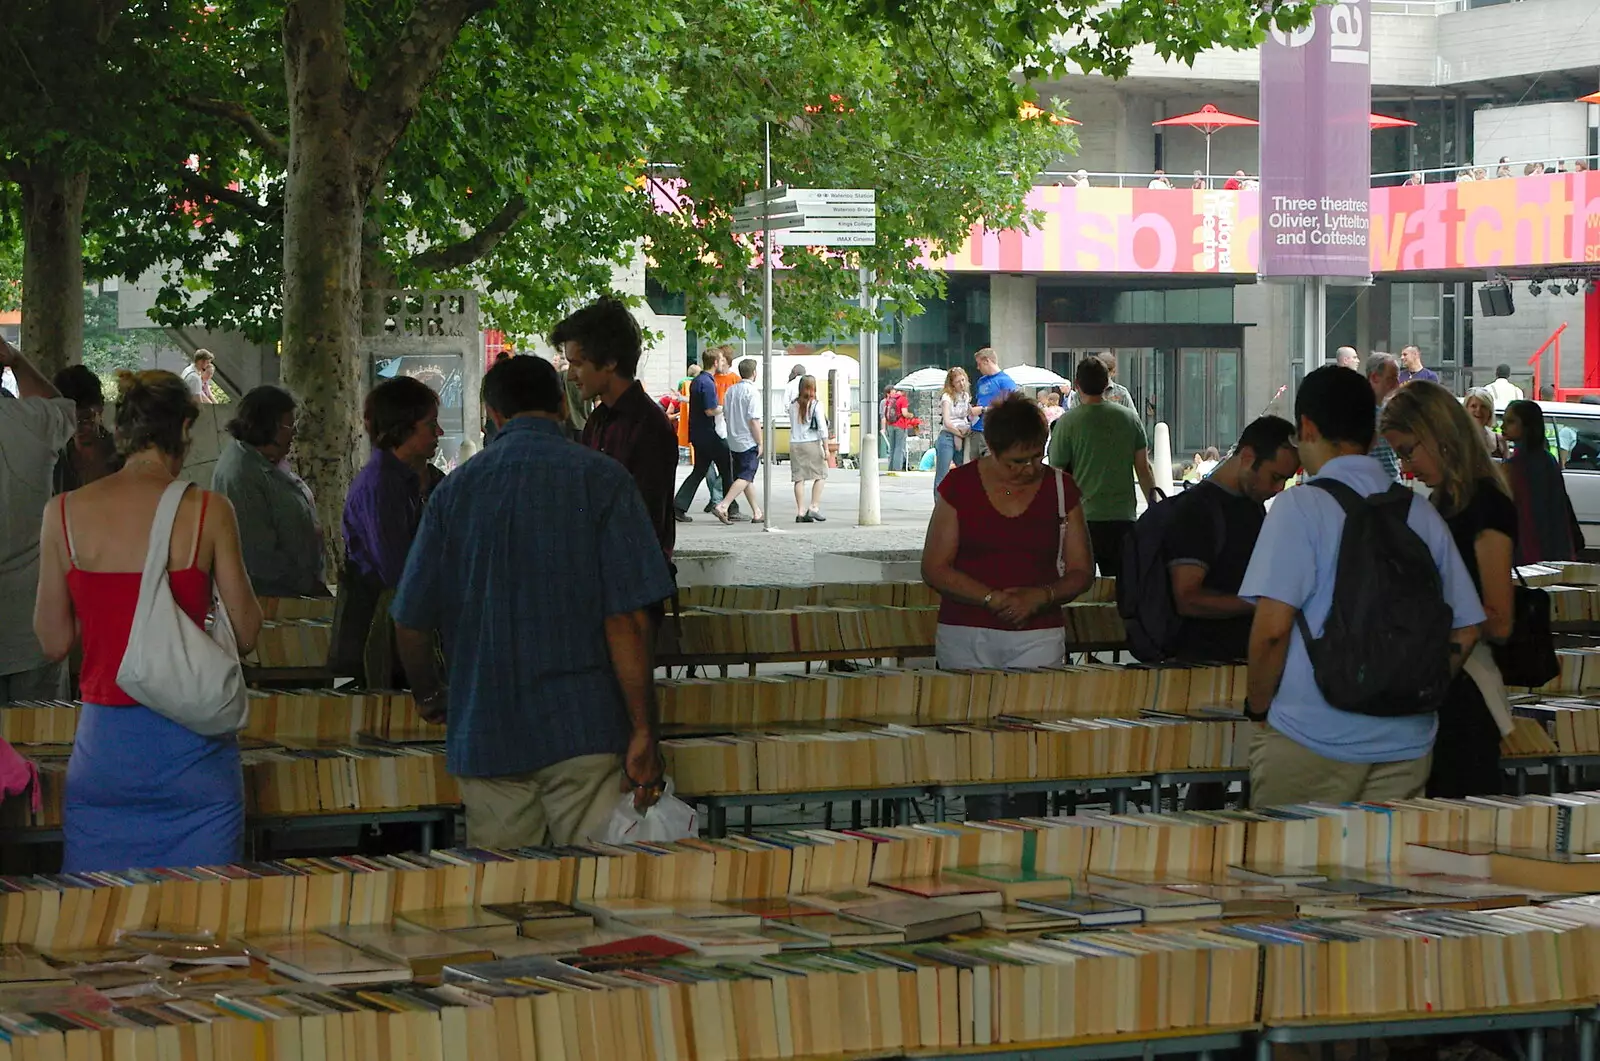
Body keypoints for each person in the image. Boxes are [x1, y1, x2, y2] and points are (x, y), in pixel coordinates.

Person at [391, 356, 676, 847]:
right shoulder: (603, 480)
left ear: (493, 414)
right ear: (563, 405)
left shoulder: (455, 491)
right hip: (585, 727)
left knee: (507, 901)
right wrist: (643, 730)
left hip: (487, 729)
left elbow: (411, 620)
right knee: (597, 895)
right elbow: (627, 618)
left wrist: (432, 694)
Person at [33, 370, 262, 872]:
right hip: (195, 757)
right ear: (184, 427)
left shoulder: (63, 513)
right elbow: (246, 632)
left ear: (122, 430)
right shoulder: (209, 511)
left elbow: (52, 642)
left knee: (100, 929)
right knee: (204, 931)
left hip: (107, 755)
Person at [1240, 366, 1484, 807]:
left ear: (1308, 428)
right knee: (1382, 872)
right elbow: (1466, 629)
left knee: (1287, 873)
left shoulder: (1299, 507)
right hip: (1407, 743)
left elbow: (1272, 630)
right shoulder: (1418, 513)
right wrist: (1410, 686)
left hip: (1312, 734)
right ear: (1372, 439)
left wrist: (1258, 709)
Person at [1381, 381, 1516, 798]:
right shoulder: (1445, 501)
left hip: (1464, 692)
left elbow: (1499, 619)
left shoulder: (1483, 504)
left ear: (1439, 433)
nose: (1405, 466)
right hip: (1445, 681)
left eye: (1407, 450)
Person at [1162, 418, 1300, 663]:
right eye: (1275, 477)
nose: (1279, 488)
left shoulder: (1252, 504)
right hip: (1205, 665)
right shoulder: (1196, 509)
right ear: (1247, 457)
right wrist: (1262, 604)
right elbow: (1187, 599)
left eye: (1285, 480)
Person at [339, 376, 445, 686]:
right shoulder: (382, 485)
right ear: (403, 427)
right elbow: (397, 571)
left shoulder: (416, 478)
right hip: (383, 626)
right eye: (430, 424)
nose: (439, 433)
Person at [561, 297, 680, 558]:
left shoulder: (648, 427)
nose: (571, 375)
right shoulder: (598, 420)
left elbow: (641, 521)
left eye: (578, 363)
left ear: (610, 362)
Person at [0, 338, 76, 701]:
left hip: (32, 628)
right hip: (32, 627)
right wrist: (17, 361)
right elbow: (63, 407)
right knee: (41, 745)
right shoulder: (34, 422)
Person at [1048, 356, 1159, 576]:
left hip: (1080, 519)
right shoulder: (1129, 419)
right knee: (1121, 590)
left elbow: (1057, 475)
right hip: (1122, 517)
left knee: (1079, 588)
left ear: (1077, 385)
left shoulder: (1067, 423)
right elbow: (1143, 468)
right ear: (1107, 383)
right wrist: (1154, 508)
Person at [211, 385, 325, 598]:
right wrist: (307, 585)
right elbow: (257, 555)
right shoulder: (241, 474)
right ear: (267, 426)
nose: (294, 433)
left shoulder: (267, 462)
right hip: (270, 598)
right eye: (289, 426)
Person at [1502, 399, 1579, 565]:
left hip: (1528, 546)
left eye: (1510, 421)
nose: (1503, 426)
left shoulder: (1517, 465)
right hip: (1552, 544)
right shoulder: (1547, 459)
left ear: (1527, 426)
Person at [672, 350, 733, 523]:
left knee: (700, 470)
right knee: (727, 468)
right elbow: (710, 410)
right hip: (710, 435)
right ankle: (727, 506)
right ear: (715, 362)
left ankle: (678, 506)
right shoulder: (707, 382)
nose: (723, 363)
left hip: (699, 434)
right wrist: (724, 408)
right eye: (721, 360)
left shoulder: (698, 380)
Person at [713, 359, 765, 525]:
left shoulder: (731, 390)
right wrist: (760, 442)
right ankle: (723, 505)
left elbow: (726, 414)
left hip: (733, 439)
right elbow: (753, 420)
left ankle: (757, 511)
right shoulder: (752, 392)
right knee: (746, 475)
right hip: (747, 440)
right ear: (754, 373)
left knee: (744, 477)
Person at [51, 365, 118, 493]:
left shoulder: (122, 454)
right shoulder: (56, 460)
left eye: (86, 418)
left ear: (101, 407)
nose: (78, 428)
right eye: (70, 420)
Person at [789, 375, 830, 523]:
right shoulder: (816, 405)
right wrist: (826, 448)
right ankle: (814, 507)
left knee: (799, 478)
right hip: (811, 443)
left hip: (795, 443)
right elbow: (822, 428)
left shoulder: (793, 404)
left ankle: (800, 511)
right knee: (821, 474)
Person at [709, 348, 744, 519]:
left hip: (727, 424)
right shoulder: (711, 378)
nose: (719, 364)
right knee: (722, 466)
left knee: (726, 466)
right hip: (716, 423)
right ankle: (721, 501)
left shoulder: (734, 379)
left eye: (722, 360)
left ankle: (720, 500)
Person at [969, 348, 1018, 459]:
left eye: (979, 364)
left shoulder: (1006, 381)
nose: (978, 368)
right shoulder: (981, 381)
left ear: (987, 361)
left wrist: (983, 410)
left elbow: (1009, 407)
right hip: (976, 429)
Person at [1366, 352, 1402, 481]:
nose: (1397, 384)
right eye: (1391, 378)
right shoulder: (1359, 412)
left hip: (1393, 483)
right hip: (1370, 487)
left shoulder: (1392, 409)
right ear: (1375, 377)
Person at [935, 367, 973, 490]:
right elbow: (947, 421)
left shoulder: (965, 396)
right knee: (943, 473)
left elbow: (968, 415)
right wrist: (959, 434)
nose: (962, 384)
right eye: (958, 382)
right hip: (948, 435)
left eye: (963, 380)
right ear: (952, 384)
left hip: (963, 432)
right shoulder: (947, 397)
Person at [1066, 353, 1133, 409]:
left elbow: (1133, 418)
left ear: (1113, 372)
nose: (1104, 376)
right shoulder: (1080, 394)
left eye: (1107, 371)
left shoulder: (1121, 393)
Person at [1463, 387, 1510, 459]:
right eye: (1473, 406)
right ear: (1466, 409)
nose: (1478, 410)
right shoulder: (1456, 438)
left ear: (1490, 411)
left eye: (1483, 406)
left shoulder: (1500, 439)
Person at [880, 385, 910, 473]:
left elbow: (885, 414)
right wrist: (910, 415)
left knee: (892, 447)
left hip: (890, 425)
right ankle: (897, 469)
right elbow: (904, 413)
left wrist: (884, 427)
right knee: (899, 447)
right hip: (900, 425)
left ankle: (890, 468)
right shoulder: (902, 399)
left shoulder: (889, 400)